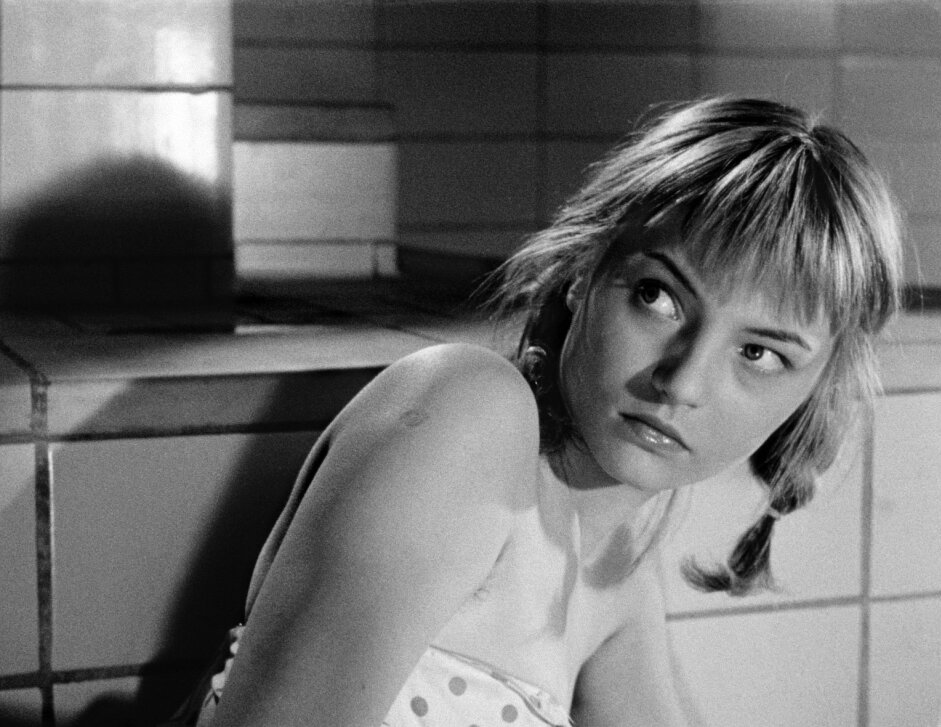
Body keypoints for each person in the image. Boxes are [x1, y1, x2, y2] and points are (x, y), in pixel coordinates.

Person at [179, 97, 903, 727]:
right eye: (658, 296)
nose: (682, 382)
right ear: (584, 271)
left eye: (759, 353)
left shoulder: (616, 573)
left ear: (813, 390)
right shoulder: (469, 410)